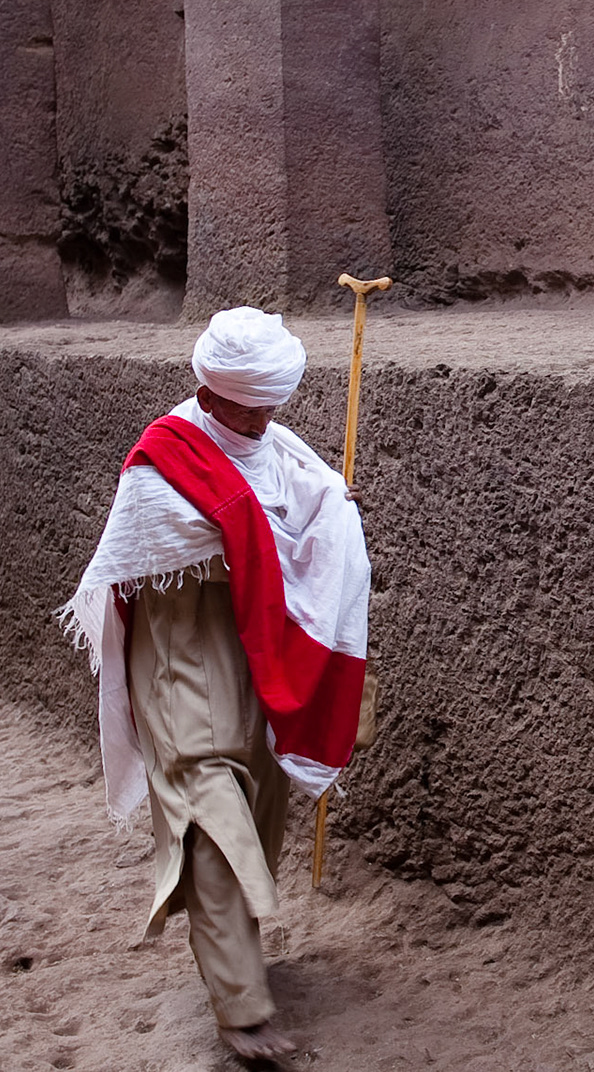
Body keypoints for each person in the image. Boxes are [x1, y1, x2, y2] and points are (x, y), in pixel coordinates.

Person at [61, 307, 372, 1061]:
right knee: (209, 808)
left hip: (253, 645)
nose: (264, 417)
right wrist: (277, 531)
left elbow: (302, 509)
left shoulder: (279, 447)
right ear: (210, 389)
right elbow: (160, 543)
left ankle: (241, 958)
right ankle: (241, 1012)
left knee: (260, 802)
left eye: (272, 402)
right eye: (250, 403)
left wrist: (331, 518)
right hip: (179, 647)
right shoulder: (161, 459)